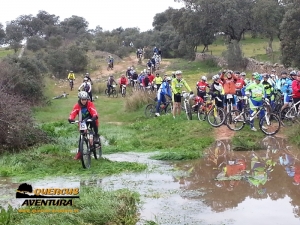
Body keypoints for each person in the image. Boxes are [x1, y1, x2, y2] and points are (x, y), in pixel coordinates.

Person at [68, 91, 100, 160]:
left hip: (91, 118)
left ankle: (96, 135)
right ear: (80, 99)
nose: (84, 101)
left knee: (94, 123)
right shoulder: (77, 105)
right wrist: (71, 119)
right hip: (82, 120)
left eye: (85, 99)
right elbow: (73, 113)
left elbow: (94, 111)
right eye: (82, 99)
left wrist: (94, 116)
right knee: (82, 135)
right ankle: (80, 153)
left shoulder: (90, 104)